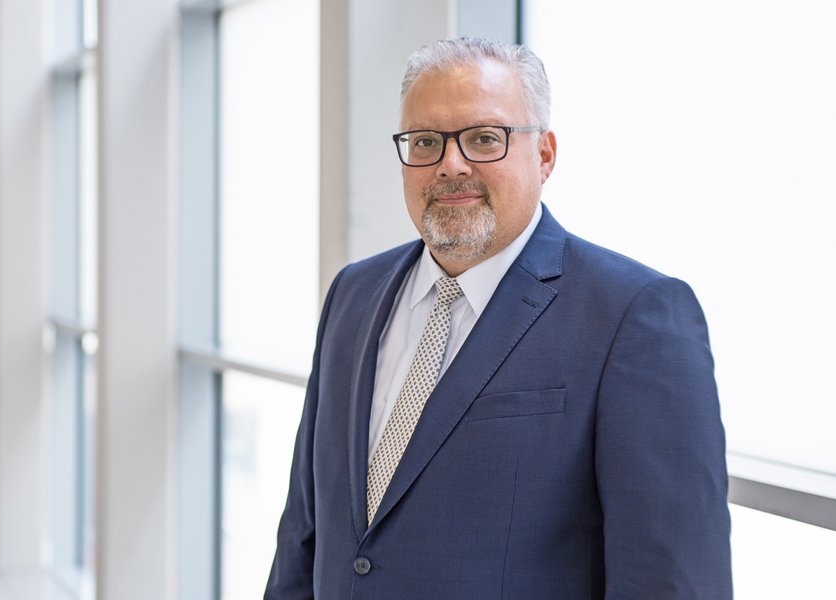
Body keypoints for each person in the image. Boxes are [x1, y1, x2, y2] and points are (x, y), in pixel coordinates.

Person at [265, 37, 732, 599]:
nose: (450, 164)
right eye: (426, 142)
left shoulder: (634, 316)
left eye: (485, 138)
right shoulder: (353, 294)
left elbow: (671, 582)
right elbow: (304, 533)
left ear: (544, 155)